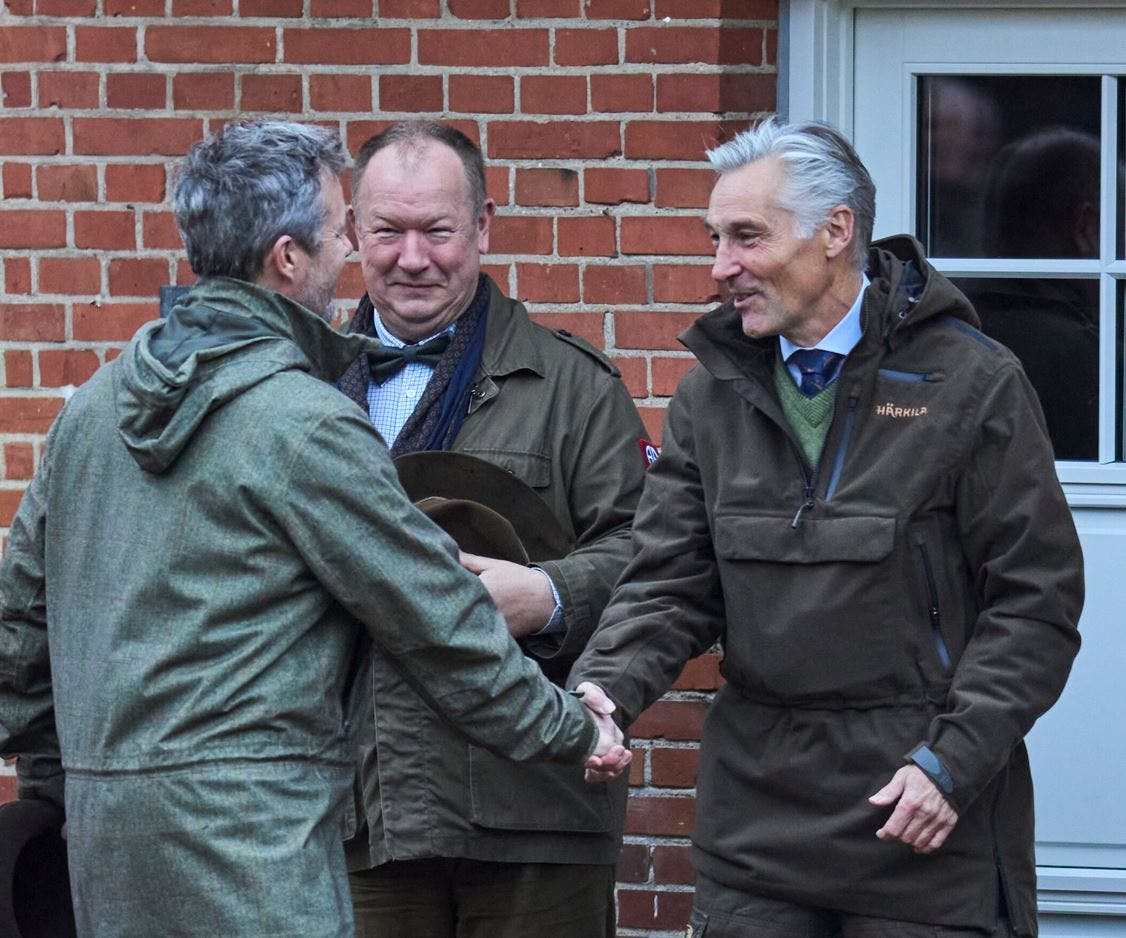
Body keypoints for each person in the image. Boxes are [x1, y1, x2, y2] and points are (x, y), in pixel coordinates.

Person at [0, 120, 629, 938]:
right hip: (260, 853)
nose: (359, 253)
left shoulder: (90, 409)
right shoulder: (303, 419)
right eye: (346, 231)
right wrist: (572, 728)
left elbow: (20, 634)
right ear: (289, 258)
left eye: (433, 230)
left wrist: (61, 789)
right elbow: (439, 622)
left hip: (112, 852)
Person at [570, 118, 1083, 938]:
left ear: (835, 232)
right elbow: (669, 582)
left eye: (747, 237)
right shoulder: (710, 396)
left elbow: (1036, 603)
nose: (720, 267)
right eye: (715, 239)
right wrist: (607, 688)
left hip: (923, 815)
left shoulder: (972, 383)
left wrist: (952, 762)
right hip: (757, 827)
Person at [338, 121, 649, 938]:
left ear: (482, 227)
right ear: (351, 232)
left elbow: (656, 556)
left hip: (535, 805)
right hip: (355, 808)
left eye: (438, 231)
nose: (413, 258)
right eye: (388, 231)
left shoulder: (575, 388)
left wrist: (549, 594)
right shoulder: (302, 386)